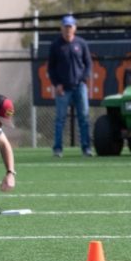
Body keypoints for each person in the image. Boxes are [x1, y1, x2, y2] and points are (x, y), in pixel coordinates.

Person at [48, 15, 93, 157]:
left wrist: (84, 78)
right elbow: (51, 68)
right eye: (65, 26)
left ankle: (86, 148)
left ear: (75, 28)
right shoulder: (56, 45)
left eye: (70, 26)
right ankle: (58, 149)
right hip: (63, 88)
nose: (68, 29)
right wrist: (57, 84)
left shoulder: (81, 43)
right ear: (61, 28)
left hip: (79, 86)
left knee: (84, 118)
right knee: (60, 119)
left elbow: (88, 64)